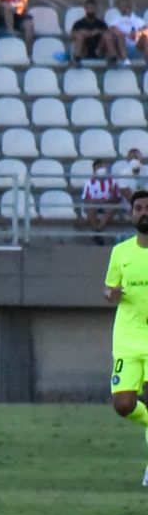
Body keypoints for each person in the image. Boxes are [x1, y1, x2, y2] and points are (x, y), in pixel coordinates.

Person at [104, 191, 148, 483]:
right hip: (128, 338)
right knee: (123, 405)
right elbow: (108, 289)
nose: (144, 212)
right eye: (139, 208)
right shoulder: (120, 252)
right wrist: (111, 293)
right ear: (132, 214)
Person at [82, 160, 123, 234]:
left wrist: (108, 200)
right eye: (98, 168)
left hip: (107, 204)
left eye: (102, 167)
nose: (101, 169)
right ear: (94, 170)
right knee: (91, 208)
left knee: (112, 208)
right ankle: (96, 229)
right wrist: (94, 201)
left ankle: (99, 228)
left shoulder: (113, 181)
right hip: (94, 204)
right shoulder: (89, 182)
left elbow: (118, 198)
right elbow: (85, 198)